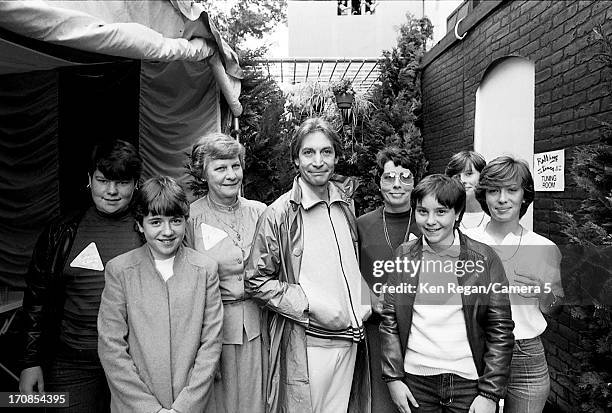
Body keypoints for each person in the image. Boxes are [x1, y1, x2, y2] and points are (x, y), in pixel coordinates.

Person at [246, 117, 371, 413]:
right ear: (295, 159)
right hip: (310, 343)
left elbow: (348, 268)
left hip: (350, 342)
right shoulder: (279, 214)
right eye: (308, 152)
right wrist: (310, 304)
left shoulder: (345, 206)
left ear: (337, 156)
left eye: (326, 152)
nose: (318, 161)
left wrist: (363, 303)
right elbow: (255, 280)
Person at [19, 140, 142, 412]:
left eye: (121, 182)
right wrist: (30, 362)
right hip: (72, 363)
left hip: (135, 362)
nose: (111, 191)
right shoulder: (61, 231)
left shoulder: (151, 232)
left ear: (136, 184)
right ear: (89, 180)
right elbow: (36, 299)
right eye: (102, 180)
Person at [380, 174, 515, 413]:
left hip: (468, 384)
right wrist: (393, 378)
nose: (430, 221)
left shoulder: (484, 258)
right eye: (423, 211)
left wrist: (490, 393)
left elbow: (500, 328)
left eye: (441, 212)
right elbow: (389, 318)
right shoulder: (403, 256)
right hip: (416, 382)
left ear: (457, 214)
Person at [97, 176, 222, 413]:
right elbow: (111, 347)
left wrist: (184, 407)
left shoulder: (205, 270)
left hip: (195, 406)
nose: (167, 231)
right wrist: (150, 409)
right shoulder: (120, 271)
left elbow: (211, 345)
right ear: (140, 225)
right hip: (135, 406)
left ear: (186, 221)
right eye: (155, 222)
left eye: (175, 221)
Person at [465, 156, 564, 413]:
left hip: (526, 355)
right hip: (475, 349)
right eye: (494, 190)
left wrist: (544, 294)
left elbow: (555, 307)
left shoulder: (544, 248)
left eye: (512, 190)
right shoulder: (465, 243)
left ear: (524, 196)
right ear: (484, 195)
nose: (502, 199)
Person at [185, 133, 266, 413]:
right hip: (213, 332)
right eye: (220, 168)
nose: (231, 175)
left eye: (235, 166)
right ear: (203, 173)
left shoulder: (262, 213)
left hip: (261, 327)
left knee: (259, 402)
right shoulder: (190, 219)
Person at [357, 146, 420, 412]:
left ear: (415, 182)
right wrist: (370, 299)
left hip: (421, 331)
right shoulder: (361, 224)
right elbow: (349, 272)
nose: (397, 185)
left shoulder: (429, 222)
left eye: (405, 177)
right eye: (388, 177)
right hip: (376, 332)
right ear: (379, 183)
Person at [445, 150, 489, 230]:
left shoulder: (496, 216)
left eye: (469, 174)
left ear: (482, 176)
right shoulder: (445, 218)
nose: (462, 180)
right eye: (457, 176)